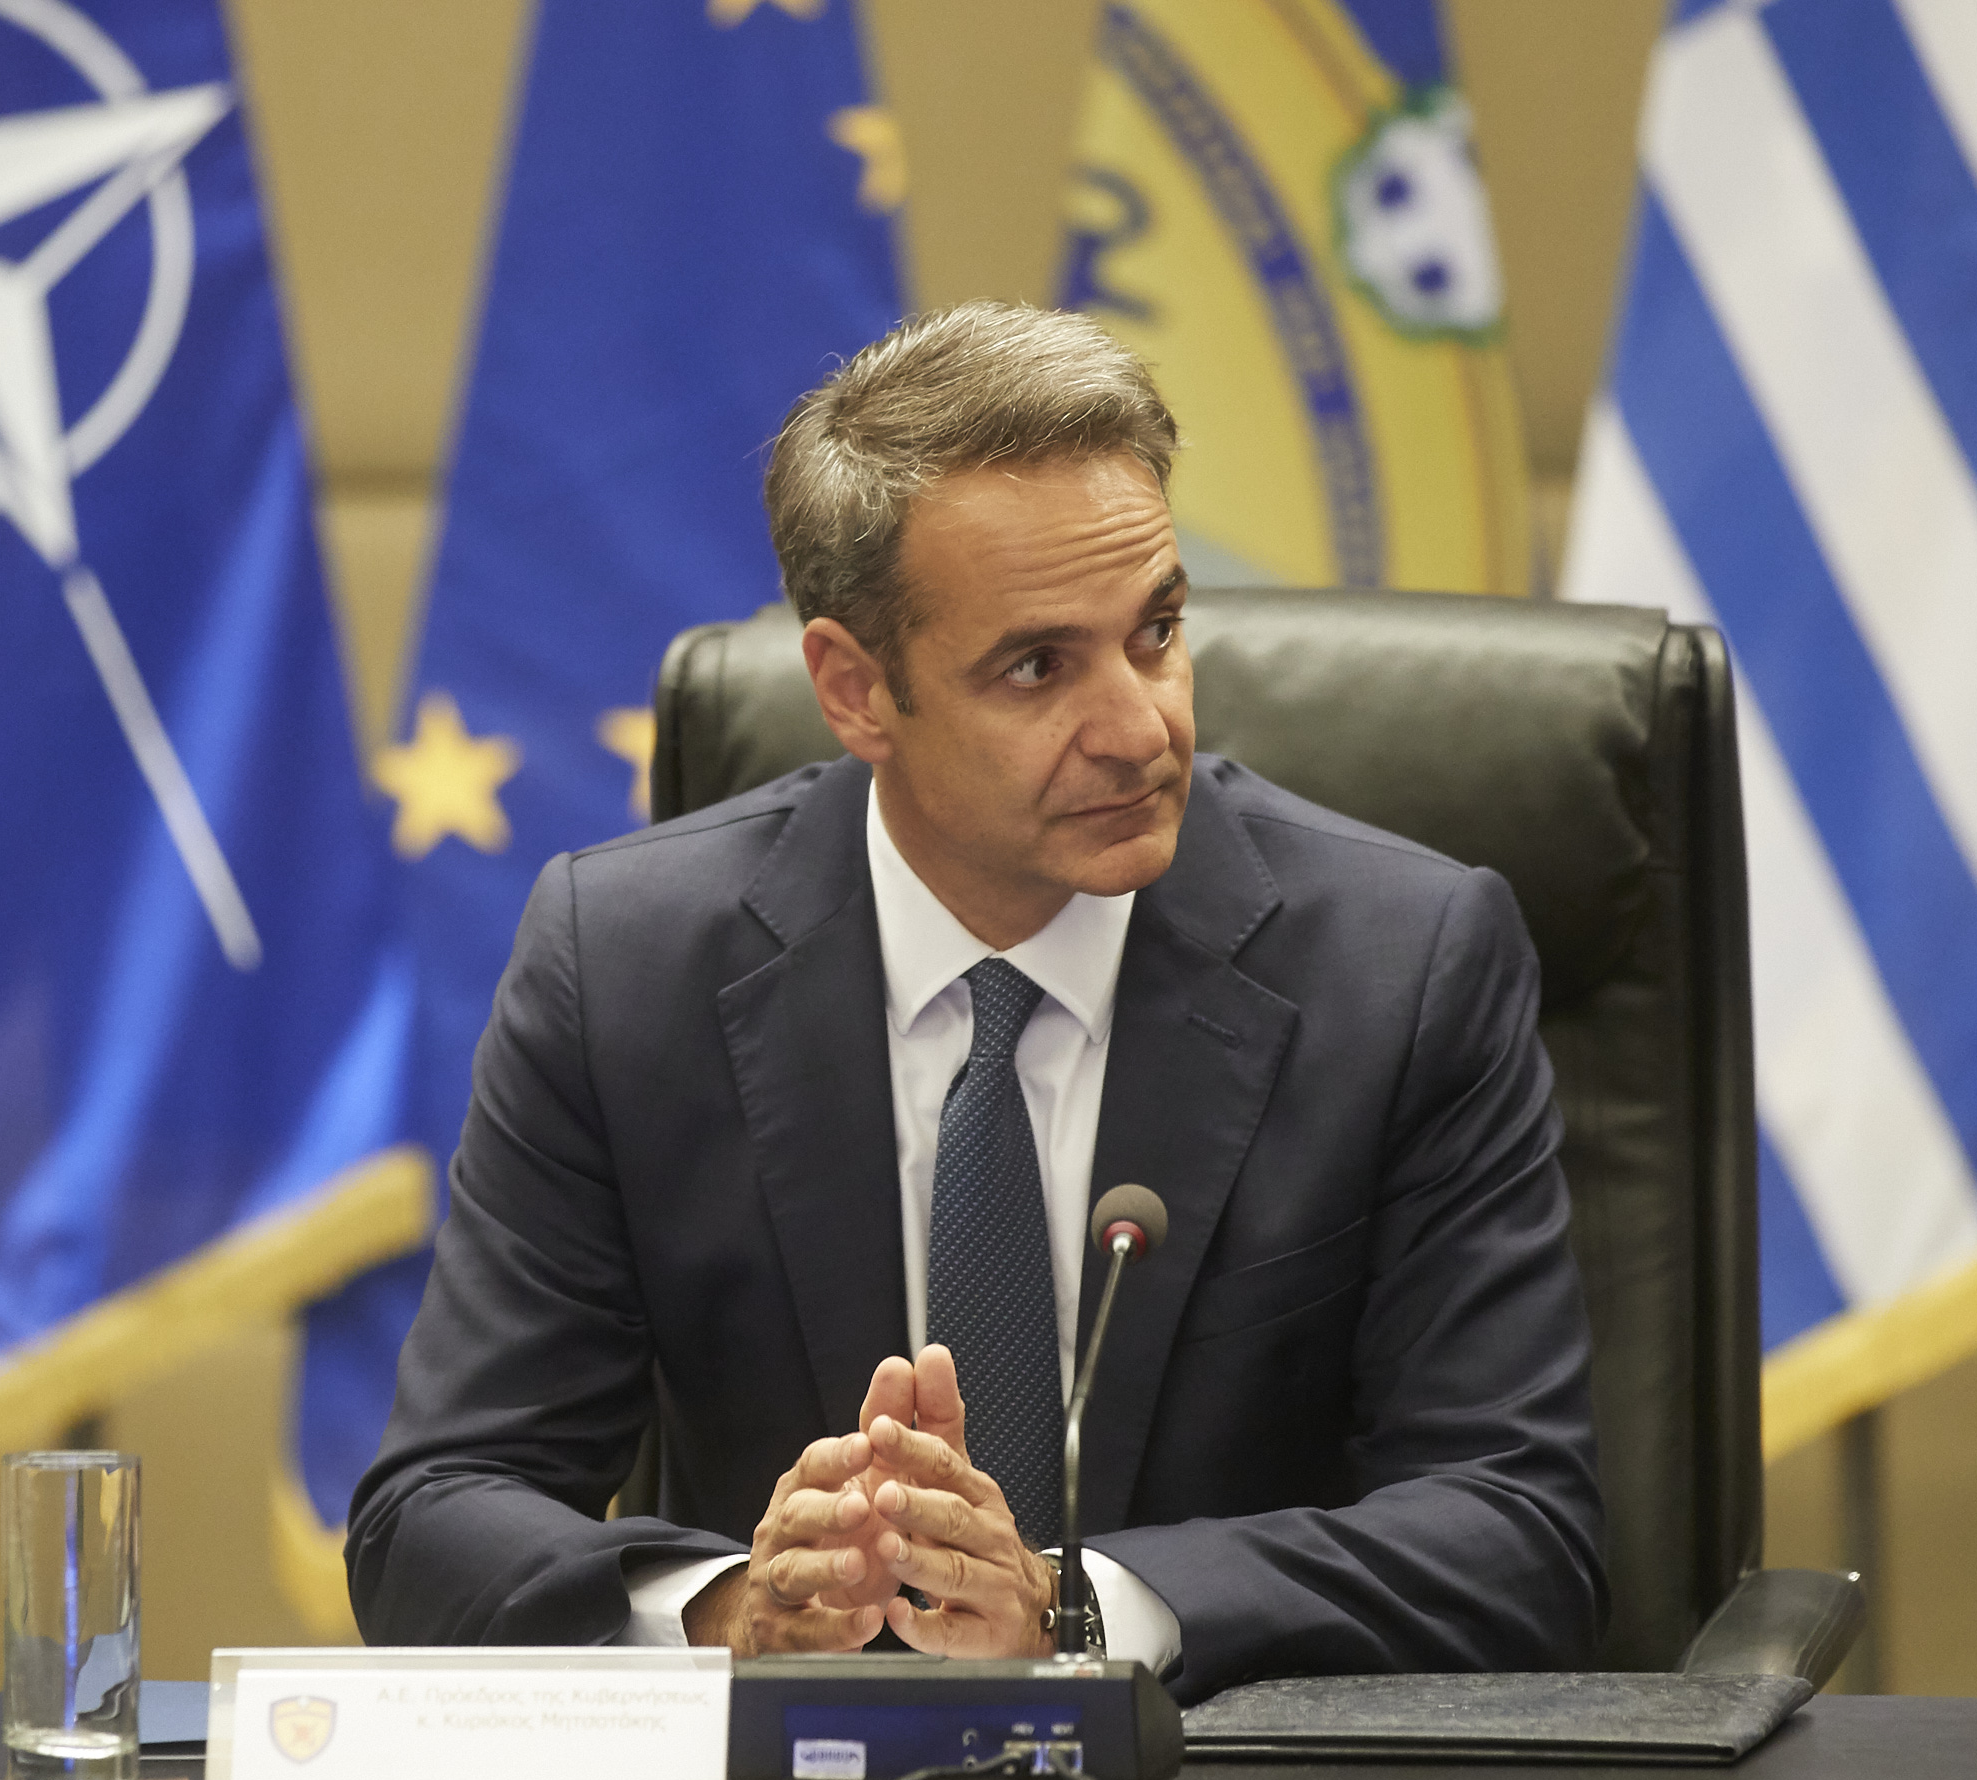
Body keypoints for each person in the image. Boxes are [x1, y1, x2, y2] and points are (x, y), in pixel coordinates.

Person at [345, 302, 1602, 1698]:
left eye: (1157, 631)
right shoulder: (629, 968)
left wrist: (1078, 1608)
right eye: (1038, 667)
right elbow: (432, 1517)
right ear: (855, 692)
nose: (1141, 727)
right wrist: (729, 1613)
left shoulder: (1404, 965)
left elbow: (1520, 1535)